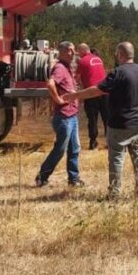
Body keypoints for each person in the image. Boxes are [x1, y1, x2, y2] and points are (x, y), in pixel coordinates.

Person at [66, 42, 138, 200]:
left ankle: (114, 195)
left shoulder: (118, 72)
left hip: (119, 125)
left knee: (116, 160)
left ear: (120, 54)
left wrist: (74, 96)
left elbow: (97, 90)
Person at [35, 41, 85, 188]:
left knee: (74, 148)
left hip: (72, 116)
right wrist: (58, 100)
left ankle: (74, 179)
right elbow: (50, 84)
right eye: (69, 50)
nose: (72, 53)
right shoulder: (59, 68)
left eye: (73, 50)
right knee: (60, 150)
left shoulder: (68, 68)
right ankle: (42, 177)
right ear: (61, 52)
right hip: (64, 117)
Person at [75, 43, 109, 150]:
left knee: (92, 119)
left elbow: (76, 78)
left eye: (78, 51)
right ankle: (110, 142)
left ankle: (93, 143)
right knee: (107, 118)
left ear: (82, 51)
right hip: (104, 91)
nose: (78, 54)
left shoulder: (82, 61)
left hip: (91, 93)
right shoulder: (99, 59)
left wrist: (79, 91)